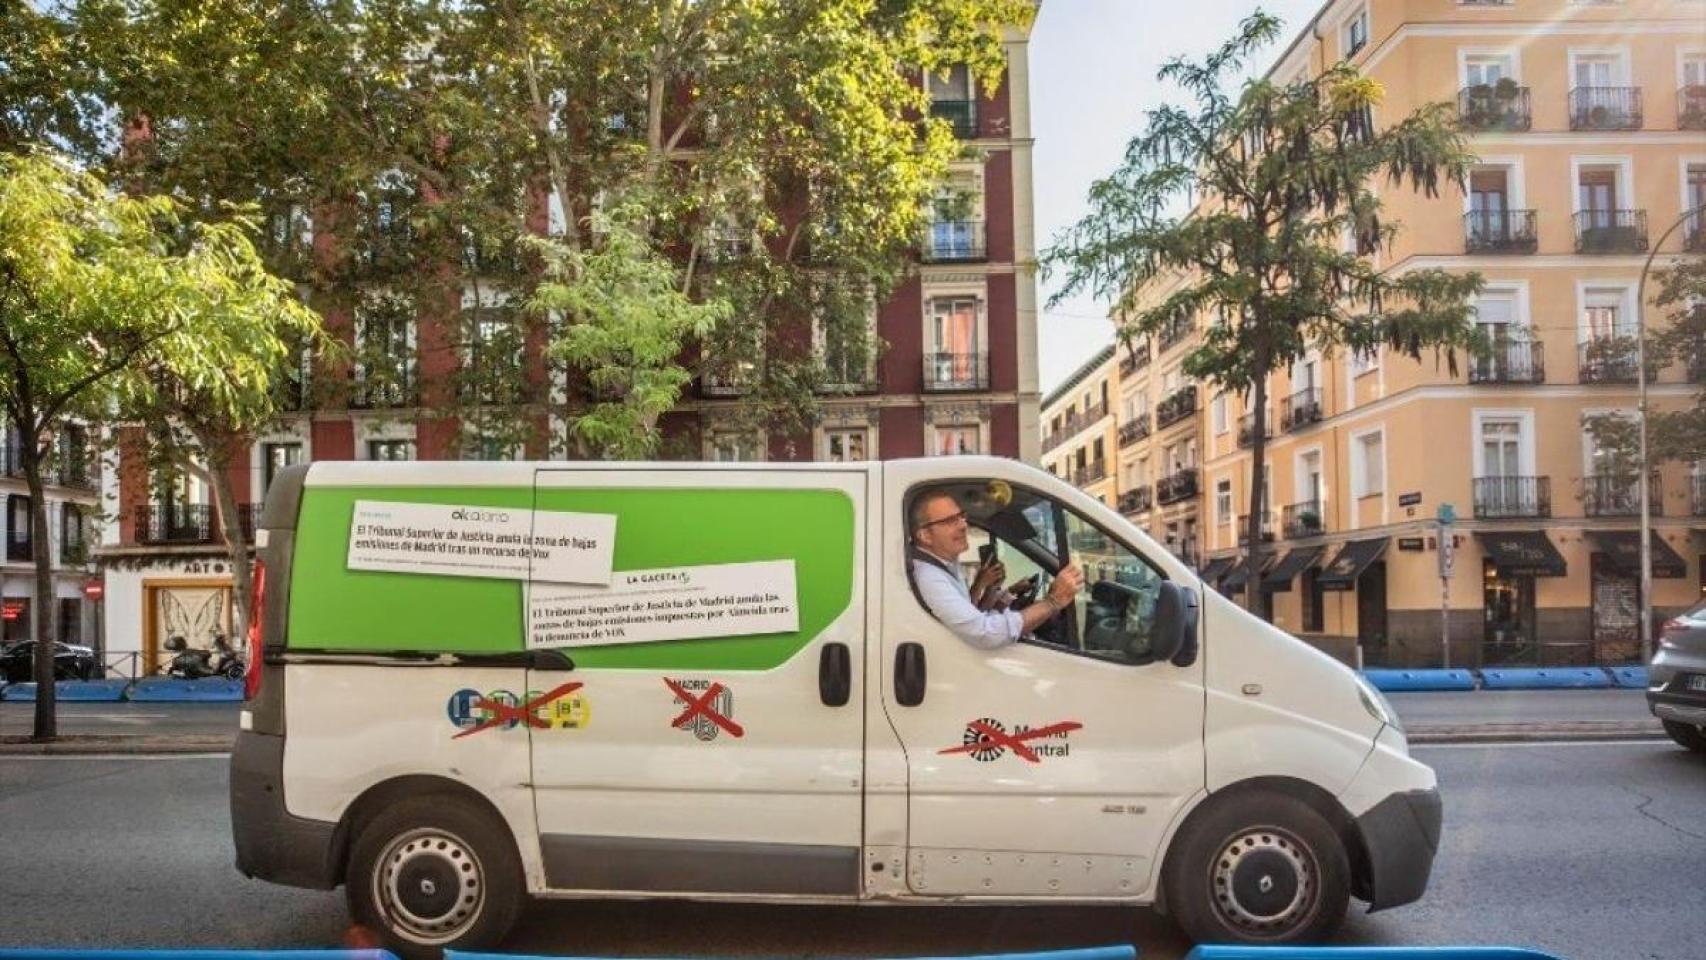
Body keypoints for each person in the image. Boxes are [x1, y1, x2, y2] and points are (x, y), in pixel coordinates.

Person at [909, 487, 1083, 650]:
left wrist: (999, 590)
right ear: (925, 535)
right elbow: (985, 633)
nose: (963, 525)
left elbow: (970, 613)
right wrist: (1053, 601)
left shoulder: (945, 564)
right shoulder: (928, 576)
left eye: (961, 516)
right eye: (949, 521)